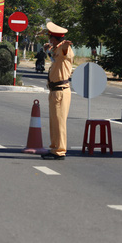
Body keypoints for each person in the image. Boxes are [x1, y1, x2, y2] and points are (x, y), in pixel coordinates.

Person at [41, 22, 74, 160]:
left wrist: (65, 44)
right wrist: (47, 51)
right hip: (54, 90)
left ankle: (60, 151)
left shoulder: (64, 49)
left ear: (55, 39)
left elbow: (65, 50)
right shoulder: (56, 50)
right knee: (54, 122)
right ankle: (54, 147)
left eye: (51, 39)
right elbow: (54, 58)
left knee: (59, 122)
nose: (50, 42)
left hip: (61, 90)